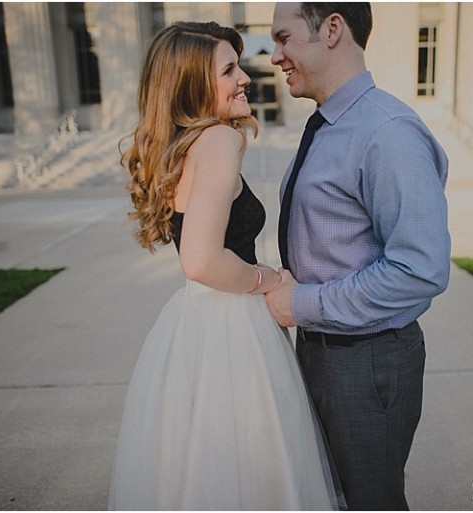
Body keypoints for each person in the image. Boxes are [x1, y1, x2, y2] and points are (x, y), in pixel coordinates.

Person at [108, 21, 343, 511]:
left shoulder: (182, 146)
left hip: (192, 324)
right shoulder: (218, 141)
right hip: (232, 330)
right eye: (229, 70)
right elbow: (200, 259)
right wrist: (270, 280)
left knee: (199, 471)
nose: (245, 79)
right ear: (193, 83)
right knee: (254, 472)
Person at [266, 3, 451, 510]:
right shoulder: (330, 124)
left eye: (284, 38)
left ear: (331, 29)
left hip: (366, 362)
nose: (275, 56)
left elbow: (420, 268)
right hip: (326, 350)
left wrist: (298, 304)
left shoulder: (385, 130)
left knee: (370, 502)